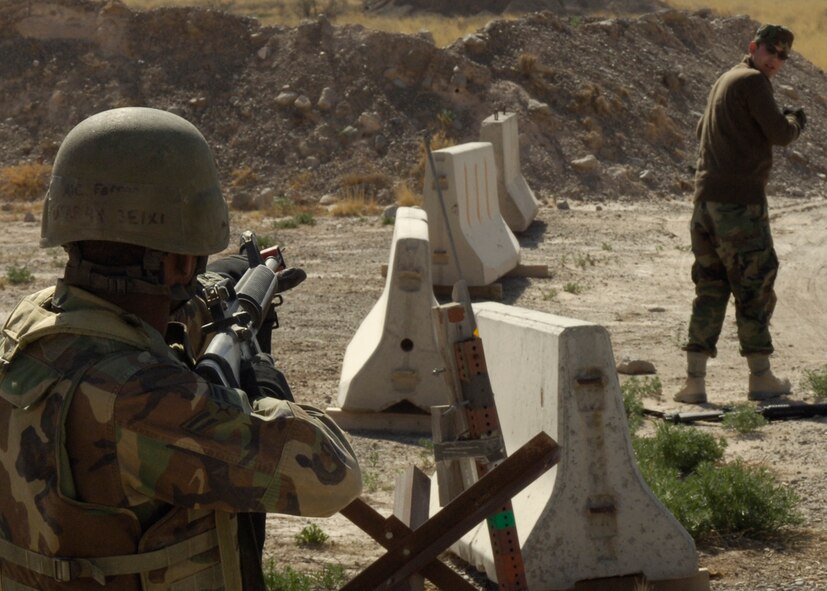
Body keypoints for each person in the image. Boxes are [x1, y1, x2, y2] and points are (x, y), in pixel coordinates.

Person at [0, 107, 362, 590]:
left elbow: (140, 319)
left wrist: (223, 284)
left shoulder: (28, 327)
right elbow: (336, 475)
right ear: (176, 264)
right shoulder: (146, 402)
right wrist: (259, 371)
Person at [675, 24, 806, 404]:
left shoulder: (725, 80)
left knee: (711, 288)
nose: (776, 61)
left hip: (706, 204)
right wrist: (796, 121)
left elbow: (703, 128)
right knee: (755, 285)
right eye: (772, 52)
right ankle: (761, 377)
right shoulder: (752, 81)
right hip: (738, 205)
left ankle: (694, 382)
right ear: (754, 47)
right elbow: (781, 133)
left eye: (784, 56)